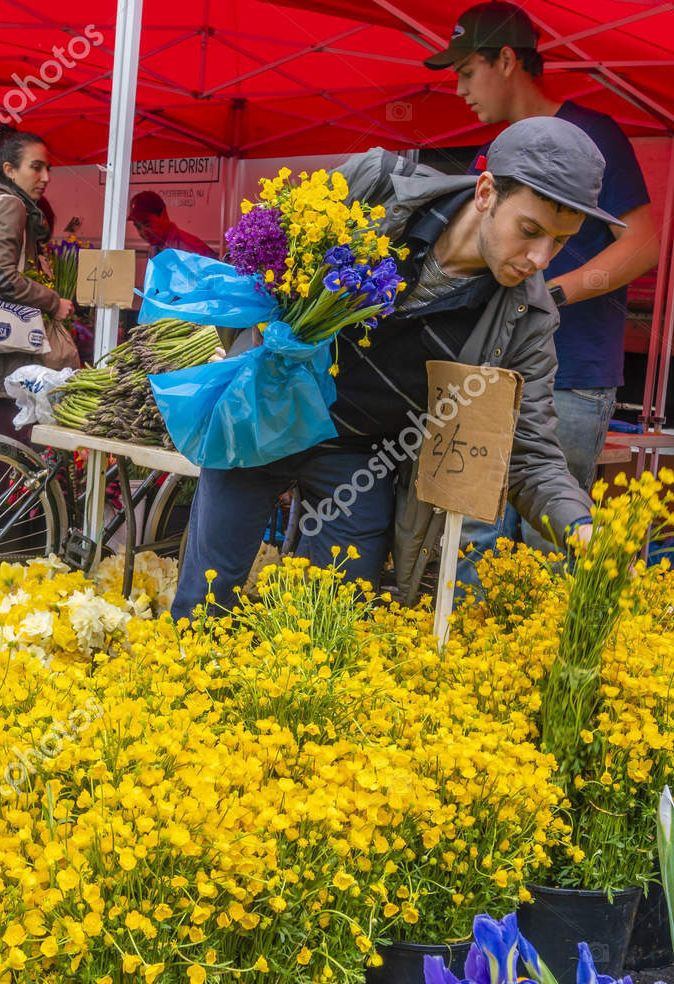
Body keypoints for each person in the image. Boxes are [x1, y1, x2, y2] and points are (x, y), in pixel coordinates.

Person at [170, 117, 612, 619]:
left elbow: (530, 452)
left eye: (559, 242)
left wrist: (579, 525)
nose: (539, 258)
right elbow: (261, 257)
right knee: (206, 598)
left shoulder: (526, 318)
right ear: (487, 192)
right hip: (263, 420)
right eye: (530, 230)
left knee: (333, 625)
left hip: (359, 460)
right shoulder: (376, 187)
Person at [425, 2, 660, 576]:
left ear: (506, 60)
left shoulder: (592, 136)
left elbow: (644, 245)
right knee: (472, 527)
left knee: (548, 545)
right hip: (487, 367)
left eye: (465, 71)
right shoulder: (504, 151)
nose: (458, 89)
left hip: (573, 375)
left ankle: (534, 660)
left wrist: (548, 296)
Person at [0, 129, 77, 440]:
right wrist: (52, 302)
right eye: (36, 167)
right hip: (1, 361)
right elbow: (0, 276)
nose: (45, 177)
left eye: (48, 168)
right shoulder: (12, 206)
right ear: (9, 170)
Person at [128, 191, 214, 259]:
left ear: (163, 215)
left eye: (147, 224)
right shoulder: (155, 248)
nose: (143, 233)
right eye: (138, 227)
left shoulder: (191, 250)